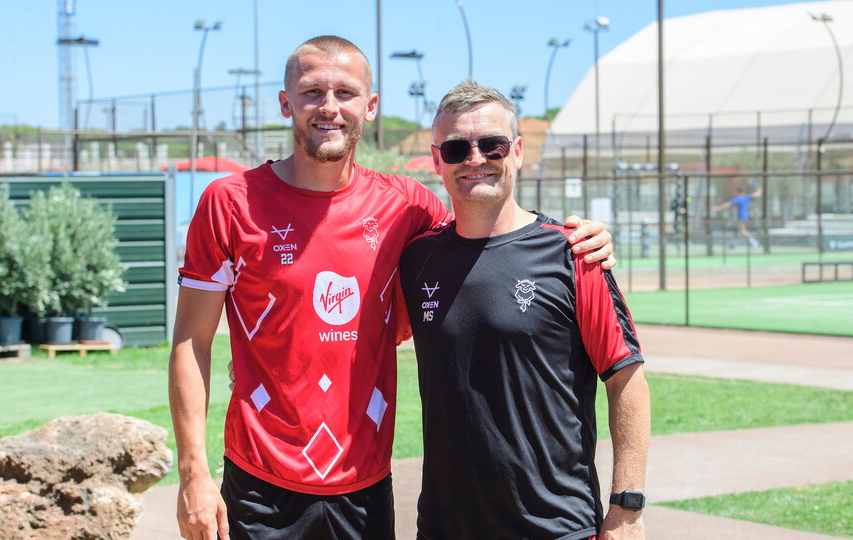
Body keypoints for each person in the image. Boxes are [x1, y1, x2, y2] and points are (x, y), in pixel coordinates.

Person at [169, 36, 616, 540]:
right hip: (258, 484)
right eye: (312, 91)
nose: (329, 107)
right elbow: (191, 340)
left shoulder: (406, 206)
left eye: (346, 92)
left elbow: (488, 232)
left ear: (371, 106)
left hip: (365, 488)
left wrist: (574, 235)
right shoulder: (228, 202)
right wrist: (193, 475)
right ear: (285, 101)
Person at [399, 81, 650, 540]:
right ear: (437, 161)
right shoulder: (416, 259)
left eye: (491, 144)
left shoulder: (573, 253)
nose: (475, 159)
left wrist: (626, 508)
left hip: (554, 526)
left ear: (516, 151)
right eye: (456, 148)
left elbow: (626, 380)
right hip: (444, 527)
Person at [713, 179, 763, 248]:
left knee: (742, 231)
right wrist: (759, 188)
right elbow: (757, 194)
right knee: (738, 230)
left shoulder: (738, 199)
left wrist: (718, 208)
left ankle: (753, 242)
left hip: (741, 217)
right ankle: (735, 244)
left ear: (738, 192)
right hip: (744, 217)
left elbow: (727, 204)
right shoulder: (746, 198)